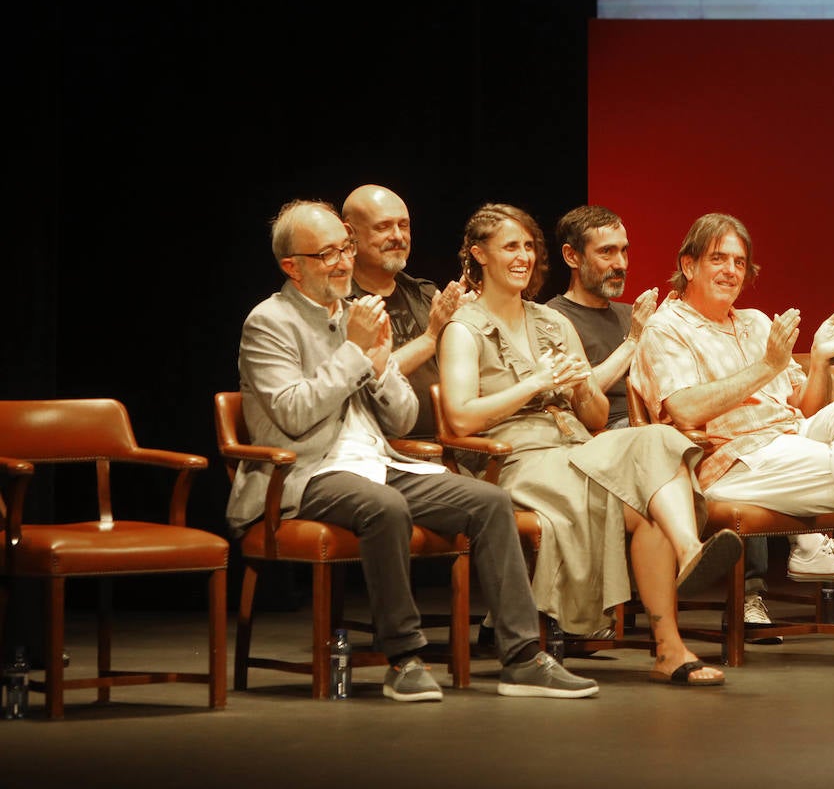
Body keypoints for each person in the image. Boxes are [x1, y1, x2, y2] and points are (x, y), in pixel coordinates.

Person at [226, 200, 598, 701]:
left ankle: (523, 657)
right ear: (292, 266)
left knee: (487, 502)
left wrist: (380, 367)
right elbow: (293, 413)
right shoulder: (268, 323)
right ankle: (403, 658)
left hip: (379, 459)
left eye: (344, 249)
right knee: (385, 508)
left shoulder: (354, 314)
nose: (342, 262)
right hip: (305, 473)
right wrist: (357, 352)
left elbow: (400, 418)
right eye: (326, 254)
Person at [438, 203, 742, 687]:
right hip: (514, 459)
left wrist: (580, 387)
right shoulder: (463, 328)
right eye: (509, 247)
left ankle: (683, 582)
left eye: (527, 247)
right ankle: (673, 629)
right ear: (479, 254)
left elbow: (597, 416)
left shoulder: (551, 324)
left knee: (657, 448)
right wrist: (534, 383)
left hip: (575, 448)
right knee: (649, 498)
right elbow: (458, 416)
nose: (522, 257)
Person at [630, 212, 834, 671]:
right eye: (718, 259)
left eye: (739, 262)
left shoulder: (757, 323)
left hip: (788, 441)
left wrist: (819, 357)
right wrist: (766, 367)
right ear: (688, 264)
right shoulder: (667, 328)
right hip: (729, 462)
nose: (730, 271)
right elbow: (684, 410)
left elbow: (806, 406)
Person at [342, 184, 473, 439]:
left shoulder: (424, 293)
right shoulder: (340, 305)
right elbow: (364, 378)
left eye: (403, 225)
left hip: (457, 440)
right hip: (389, 448)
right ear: (350, 234)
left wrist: (468, 323)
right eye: (383, 227)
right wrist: (432, 337)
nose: (398, 236)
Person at [546, 204, 658, 430]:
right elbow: (572, 395)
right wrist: (633, 342)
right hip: (603, 433)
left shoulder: (632, 314)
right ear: (571, 256)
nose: (621, 264)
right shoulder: (552, 318)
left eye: (623, 250)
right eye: (606, 251)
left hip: (653, 422)